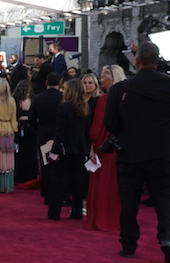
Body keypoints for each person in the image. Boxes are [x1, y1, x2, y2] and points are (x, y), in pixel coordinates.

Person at [103, 42, 170, 263]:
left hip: (130, 154)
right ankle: (167, 238)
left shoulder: (120, 89)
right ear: (158, 60)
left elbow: (109, 124)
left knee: (129, 201)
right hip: (163, 152)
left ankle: (128, 245)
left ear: (137, 61)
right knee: (164, 197)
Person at [86, 66, 125, 232]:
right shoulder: (128, 98)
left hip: (106, 148)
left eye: (103, 77)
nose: (101, 81)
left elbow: (98, 128)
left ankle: (102, 217)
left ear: (111, 78)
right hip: (125, 148)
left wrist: (94, 147)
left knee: (103, 185)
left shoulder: (105, 100)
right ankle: (116, 218)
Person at [48, 79, 90, 220]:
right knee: (77, 181)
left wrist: (54, 151)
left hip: (65, 148)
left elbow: (59, 132)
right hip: (80, 149)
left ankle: (54, 212)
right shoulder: (85, 107)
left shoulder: (63, 108)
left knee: (58, 180)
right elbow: (86, 132)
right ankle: (77, 211)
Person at [27, 72, 64, 204]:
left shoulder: (38, 98)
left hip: (43, 133)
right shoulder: (64, 97)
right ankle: (61, 193)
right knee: (61, 165)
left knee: (45, 164)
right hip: (61, 134)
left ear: (46, 83)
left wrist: (39, 128)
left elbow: (31, 119)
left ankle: (47, 193)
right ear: (59, 83)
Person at [0, 77, 17, 193]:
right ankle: (7, 186)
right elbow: (14, 119)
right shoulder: (12, 101)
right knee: (7, 159)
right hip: (8, 130)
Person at [12, 79, 37, 186]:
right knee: (27, 152)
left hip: (23, 127)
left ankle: (21, 176)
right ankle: (28, 175)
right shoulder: (33, 99)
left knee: (22, 152)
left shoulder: (15, 100)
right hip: (28, 128)